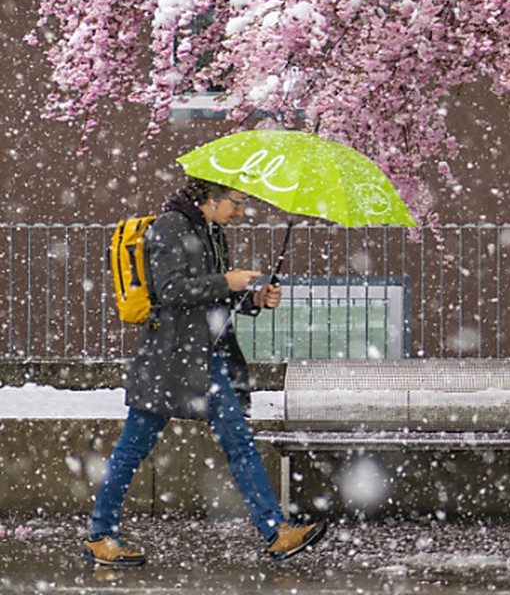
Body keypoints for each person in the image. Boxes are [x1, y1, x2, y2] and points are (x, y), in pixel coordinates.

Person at [83, 177, 328, 567]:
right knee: (133, 448)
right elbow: (170, 289)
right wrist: (225, 280)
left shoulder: (213, 232)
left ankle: (275, 531)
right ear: (209, 198)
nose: (240, 210)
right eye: (235, 201)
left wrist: (255, 299)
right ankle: (100, 535)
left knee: (240, 442)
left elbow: (216, 297)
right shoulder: (169, 227)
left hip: (207, 358)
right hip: (168, 360)